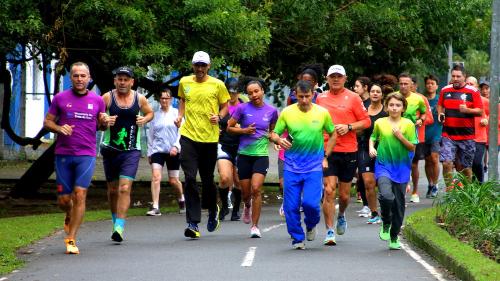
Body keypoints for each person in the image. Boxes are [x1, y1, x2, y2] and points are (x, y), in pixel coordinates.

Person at [44, 62, 107, 254]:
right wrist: (59, 128)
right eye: (76, 76)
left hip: (86, 155)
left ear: (89, 78)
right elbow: (47, 122)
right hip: (63, 155)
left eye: (83, 76)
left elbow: (101, 126)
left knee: (80, 194)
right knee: (64, 200)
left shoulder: (97, 100)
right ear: (70, 78)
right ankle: (68, 213)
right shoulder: (60, 98)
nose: (80, 79)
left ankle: (71, 239)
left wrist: (104, 123)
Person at [270, 80, 336, 249]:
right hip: (291, 165)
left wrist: (325, 155)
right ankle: (297, 238)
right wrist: (279, 139)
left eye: (308, 96)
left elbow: (333, 133)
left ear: (313, 94)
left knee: (311, 204)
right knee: (290, 206)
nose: (305, 100)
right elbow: (274, 134)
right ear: (295, 95)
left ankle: (311, 223)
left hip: (314, 166)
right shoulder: (287, 112)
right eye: (301, 97)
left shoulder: (322, 113)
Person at [175, 51, 230, 239]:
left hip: (209, 138)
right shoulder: (184, 82)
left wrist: (220, 116)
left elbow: (225, 105)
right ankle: (193, 222)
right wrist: (180, 115)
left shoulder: (218, 84)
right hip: (188, 136)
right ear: (193, 65)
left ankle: (213, 208)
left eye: (203, 65)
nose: (200, 69)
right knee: (189, 178)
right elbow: (183, 100)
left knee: (207, 179)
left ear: (208, 66)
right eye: (197, 65)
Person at [315, 64, 371, 245]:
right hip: (327, 150)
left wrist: (348, 127)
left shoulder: (354, 98)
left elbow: (366, 121)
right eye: (333, 76)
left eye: (339, 76)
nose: (336, 79)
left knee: (345, 196)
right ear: (327, 79)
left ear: (345, 79)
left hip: (348, 150)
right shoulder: (320, 98)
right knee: (329, 190)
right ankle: (329, 231)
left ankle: (341, 214)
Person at [101, 66, 154, 242]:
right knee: (112, 190)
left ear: (132, 82)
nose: (122, 82)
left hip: (131, 150)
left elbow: (150, 112)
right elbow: (96, 118)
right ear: (115, 81)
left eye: (126, 79)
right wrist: (104, 120)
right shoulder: (107, 97)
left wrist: (144, 119)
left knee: (124, 188)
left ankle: (119, 227)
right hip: (110, 149)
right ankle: (115, 220)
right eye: (119, 79)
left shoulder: (139, 98)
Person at [227, 77, 278, 238]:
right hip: (244, 156)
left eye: (256, 91)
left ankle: (255, 226)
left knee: (256, 189)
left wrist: (275, 139)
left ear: (262, 91)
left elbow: (272, 131)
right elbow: (229, 127)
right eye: (250, 93)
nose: (254, 95)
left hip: (261, 156)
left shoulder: (271, 111)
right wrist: (243, 131)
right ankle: (246, 205)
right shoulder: (242, 108)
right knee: (246, 192)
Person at [369, 92, 417, 250]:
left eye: (398, 105)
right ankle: (386, 222)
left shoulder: (409, 124)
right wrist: (371, 147)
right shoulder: (380, 123)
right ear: (386, 106)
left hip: (402, 168)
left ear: (403, 108)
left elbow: (412, 147)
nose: (394, 108)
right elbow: (373, 137)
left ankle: (394, 235)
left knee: (399, 206)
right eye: (391, 105)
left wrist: (400, 136)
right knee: (386, 195)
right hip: (383, 165)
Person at [437, 64, 483, 187]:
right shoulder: (445, 90)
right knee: (446, 163)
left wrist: (468, 110)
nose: (455, 79)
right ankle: (450, 190)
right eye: (453, 76)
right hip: (448, 134)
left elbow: (480, 111)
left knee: (465, 168)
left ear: (464, 77)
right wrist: (440, 113)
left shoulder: (473, 91)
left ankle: (467, 193)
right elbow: (440, 104)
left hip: (467, 136)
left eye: (458, 76)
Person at [146, 89, 185, 216]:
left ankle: (181, 199)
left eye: (167, 98)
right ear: (159, 100)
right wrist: (150, 152)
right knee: (156, 177)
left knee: (173, 180)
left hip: (173, 150)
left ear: (171, 99)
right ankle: (155, 206)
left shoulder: (177, 114)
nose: (164, 101)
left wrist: (176, 146)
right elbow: (150, 135)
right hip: (158, 150)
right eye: (162, 98)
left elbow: (182, 133)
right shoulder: (155, 115)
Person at [357, 83, 388, 224]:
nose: (375, 93)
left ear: (382, 95)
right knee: (368, 182)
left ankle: (387, 210)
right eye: (372, 91)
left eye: (378, 91)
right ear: (369, 93)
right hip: (364, 148)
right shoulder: (363, 110)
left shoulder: (387, 112)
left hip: (384, 150)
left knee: (383, 183)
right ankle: (374, 212)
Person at [396, 73, 427, 203]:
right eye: (401, 83)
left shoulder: (418, 99)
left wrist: (420, 120)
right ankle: (400, 191)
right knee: (398, 163)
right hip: (395, 134)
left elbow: (424, 113)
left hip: (412, 135)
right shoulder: (394, 96)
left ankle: (415, 191)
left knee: (413, 164)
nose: (403, 86)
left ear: (411, 85)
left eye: (406, 84)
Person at [217, 77, 243, 221]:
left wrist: (242, 128)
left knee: (238, 181)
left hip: (240, 146)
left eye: (234, 92)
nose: (232, 96)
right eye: (229, 92)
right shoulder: (220, 106)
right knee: (225, 177)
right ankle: (224, 206)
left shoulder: (244, 106)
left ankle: (236, 209)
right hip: (224, 145)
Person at [466, 77, 490, 183]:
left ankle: (480, 186)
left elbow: (491, 114)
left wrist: (486, 119)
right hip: (464, 137)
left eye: (472, 84)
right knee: (466, 164)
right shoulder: (462, 100)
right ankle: (469, 188)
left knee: (476, 162)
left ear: (476, 87)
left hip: (479, 137)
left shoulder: (484, 101)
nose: (469, 86)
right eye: (467, 84)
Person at [353, 76, 372, 210]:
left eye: (357, 86)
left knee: (368, 175)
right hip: (357, 142)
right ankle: (366, 204)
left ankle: (371, 203)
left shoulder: (371, 103)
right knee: (361, 174)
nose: (354, 89)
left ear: (365, 87)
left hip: (372, 143)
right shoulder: (356, 103)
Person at [423, 75, 442, 197]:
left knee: (434, 158)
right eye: (428, 83)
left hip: (437, 132)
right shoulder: (422, 99)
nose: (430, 85)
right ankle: (429, 184)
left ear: (437, 86)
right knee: (427, 160)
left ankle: (435, 185)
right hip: (424, 133)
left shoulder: (440, 99)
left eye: (432, 83)